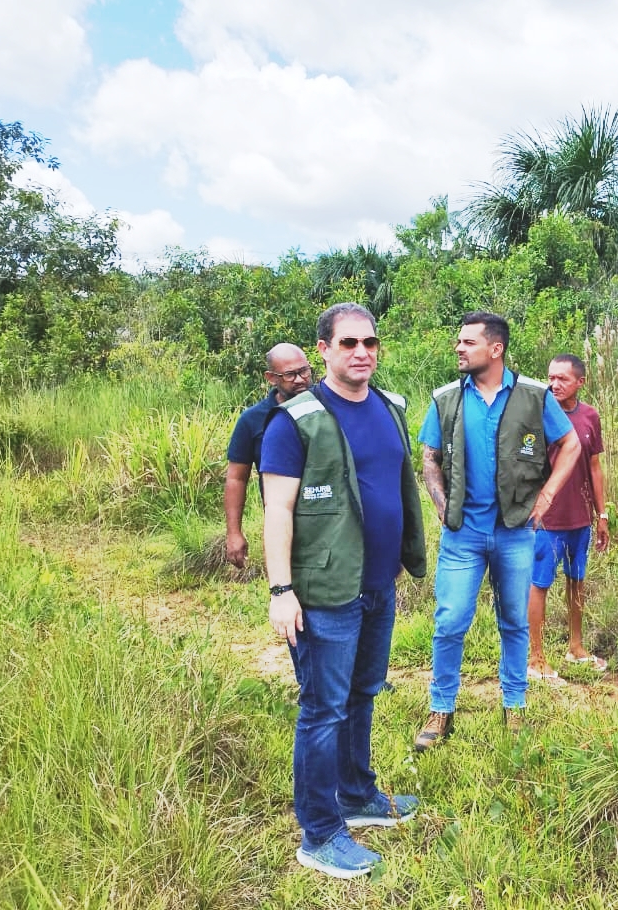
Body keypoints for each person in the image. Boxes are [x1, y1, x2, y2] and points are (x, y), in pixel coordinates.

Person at [260, 303, 426, 878]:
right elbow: (277, 510)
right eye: (349, 342)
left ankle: (357, 796)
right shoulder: (296, 421)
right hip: (324, 591)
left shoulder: (388, 407)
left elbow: (394, 487)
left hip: (379, 585)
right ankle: (320, 832)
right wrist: (282, 589)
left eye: (371, 342)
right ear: (324, 349)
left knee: (364, 693)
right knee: (323, 709)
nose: (362, 352)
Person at [415, 312, 581, 750]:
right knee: (450, 620)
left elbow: (570, 444)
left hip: (515, 532)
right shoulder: (446, 398)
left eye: (468, 342)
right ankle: (442, 709)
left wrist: (544, 499)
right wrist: (439, 504)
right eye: (458, 341)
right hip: (462, 534)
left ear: (496, 348)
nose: (459, 348)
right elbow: (429, 455)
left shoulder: (533, 397)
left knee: (514, 621)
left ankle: (514, 706)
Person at [527, 353, 610, 681]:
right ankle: (536, 657)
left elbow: (594, 467)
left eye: (563, 378)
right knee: (540, 583)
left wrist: (601, 514)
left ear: (581, 382)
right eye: (551, 377)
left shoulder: (590, 416)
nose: (555, 384)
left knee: (577, 582)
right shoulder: (537, 415)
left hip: (580, 518)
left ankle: (576, 648)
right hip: (547, 520)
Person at [223, 343, 312, 567]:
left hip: (331, 517)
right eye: (290, 375)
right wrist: (234, 532)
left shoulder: (326, 407)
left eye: (305, 371)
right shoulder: (252, 420)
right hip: (283, 521)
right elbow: (236, 477)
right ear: (271, 378)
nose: (300, 379)